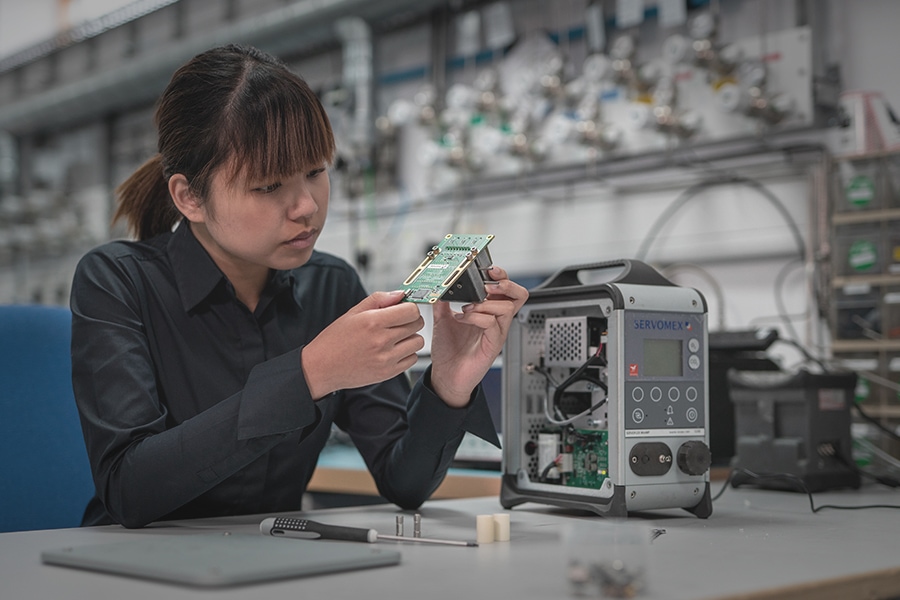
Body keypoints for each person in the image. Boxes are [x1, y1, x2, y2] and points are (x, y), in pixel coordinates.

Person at [70, 44, 528, 529]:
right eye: (269, 187)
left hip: (275, 568)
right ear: (189, 197)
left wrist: (449, 384)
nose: (306, 206)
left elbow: (404, 481)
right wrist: (309, 374)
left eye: (315, 171)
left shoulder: (332, 287)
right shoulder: (116, 280)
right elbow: (127, 489)